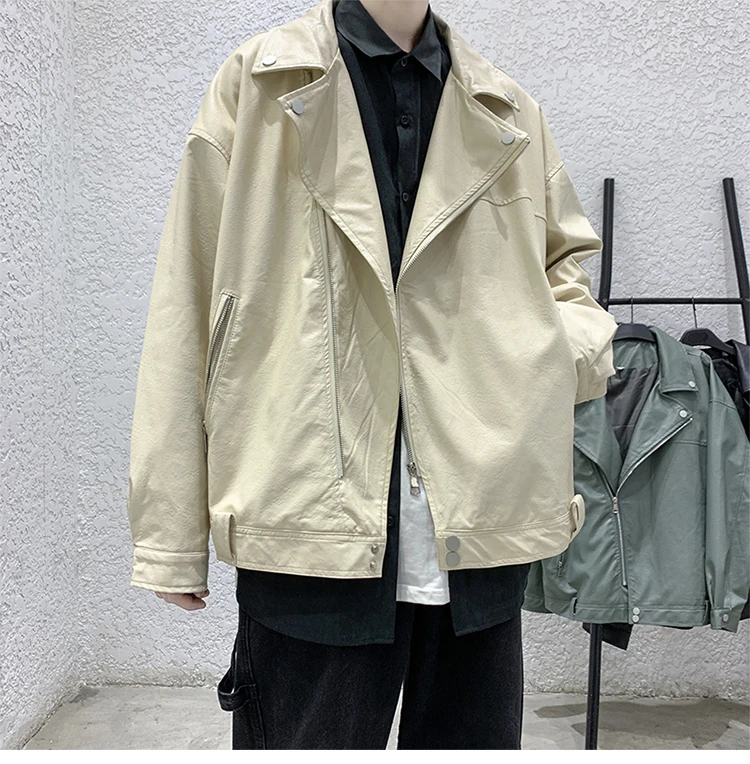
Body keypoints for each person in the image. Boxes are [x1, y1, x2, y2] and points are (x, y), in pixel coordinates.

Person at [126, 0, 618, 750]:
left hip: (479, 529)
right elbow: (188, 299)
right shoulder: (259, 83)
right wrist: (170, 531)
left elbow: (565, 274)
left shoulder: (507, 106)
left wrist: (546, 358)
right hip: (307, 525)